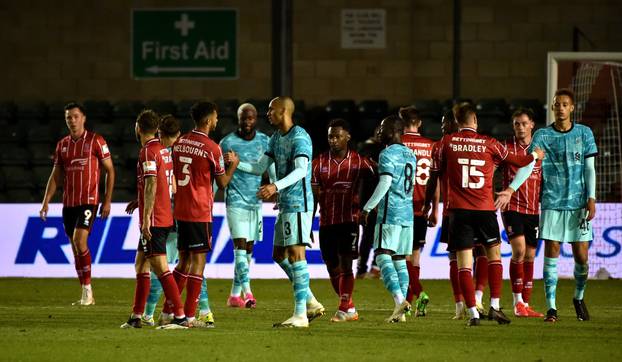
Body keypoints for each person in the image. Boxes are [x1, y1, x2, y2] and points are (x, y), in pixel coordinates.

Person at [425, 103, 544, 326]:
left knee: (464, 264)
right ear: (475, 121)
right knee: (494, 257)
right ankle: (496, 306)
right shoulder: (490, 143)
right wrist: (535, 156)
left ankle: (472, 313)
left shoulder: (444, 144)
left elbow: (434, 178)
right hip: (485, 210)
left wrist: (427, 205)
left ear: (456, 121)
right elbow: (518, 161)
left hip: (458, 212)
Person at [232, 96, 325, 328]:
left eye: (271, 110)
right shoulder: (275, 138)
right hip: (286, 203)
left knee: (296, 254)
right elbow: (259, 167)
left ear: (284, 111)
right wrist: (235, 164)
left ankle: (300, 315)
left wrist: (275, 186)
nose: (268, 114)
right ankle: (311, 302)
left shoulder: (300, 137)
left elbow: (302, 170)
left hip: (299, 203)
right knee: (279, 255)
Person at [159, 101, 239, 329]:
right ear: (207, 120)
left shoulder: (181, 141)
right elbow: (222, 182)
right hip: (199, 211)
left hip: (181, 210)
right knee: (198, 264)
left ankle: (167, 312)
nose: (216, 121)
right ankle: (190, 316)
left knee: (182, 262)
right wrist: (233, 164)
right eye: (215, 118)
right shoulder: (211, 147)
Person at [524, 89, 596, 322]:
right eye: (557, 104)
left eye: (565, 104)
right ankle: (552, 308)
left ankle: (578, 296)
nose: (561, 108)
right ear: (553, 108)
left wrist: (591, 198)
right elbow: (529, 163)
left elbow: (589, 169)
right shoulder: (542, 135)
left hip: (578, 204)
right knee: (552, 251)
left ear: (572, 108)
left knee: (582, 257)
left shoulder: (584, 133)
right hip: (552, 201)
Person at [39, 102, 115, 306]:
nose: (72, 121)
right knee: (75, 247)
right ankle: (85, 292)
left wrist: (107, 200)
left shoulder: (96, 141)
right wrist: (46, 201)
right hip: (69, 203)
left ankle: (88, 290)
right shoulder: (62, 145)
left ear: (83, 118)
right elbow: (55, 176)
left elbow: (110, 170)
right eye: (68, 118)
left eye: (75, 116)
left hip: (89, 201)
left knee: (80, 241)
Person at [120, 110, 187, 329]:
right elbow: (170, 186)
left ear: (138, 127)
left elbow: (151, 184)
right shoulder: (163, 151)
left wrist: (147, 217)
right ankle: (136, 316)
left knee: (161, 267)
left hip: (155, 220)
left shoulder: (148, 152)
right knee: (141, 264)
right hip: (163, 215)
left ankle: (179, 316)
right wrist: (139, 201)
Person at [312, 118, 374, 322]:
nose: (333, 140)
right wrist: (307, 223)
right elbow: (314, 195)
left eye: (337, 136)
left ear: (347, 136)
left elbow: (382, 178)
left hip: (350, 220)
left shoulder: (360, 162)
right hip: (327, 221)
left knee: (347, 264)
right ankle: (350, 307)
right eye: (330, 136)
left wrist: (370, 207)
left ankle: (342, 308)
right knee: (331, 265)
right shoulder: (319, 163)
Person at [360, 115, 416, 323]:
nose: (379, 131)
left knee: (383, 256)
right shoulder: (411, 154)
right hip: (407, 214)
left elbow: (385, 183)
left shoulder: (386, 153)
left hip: (390, 213)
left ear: (393, 131)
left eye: (383, 128)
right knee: (400, 260)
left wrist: (367, 208)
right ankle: (400, 313)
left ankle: (400, 300)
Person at [219, 103, 274, 308]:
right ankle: (248, 293)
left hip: (255, 203)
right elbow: (217, 172)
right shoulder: (227, 143)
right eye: (244, 118)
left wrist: (274, 187)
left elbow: (269, 166)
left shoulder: (264, 141)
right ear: (238, 118)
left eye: (251, 118)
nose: (248, 122)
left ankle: (234, 295)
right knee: (240, 248)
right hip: (235, 201)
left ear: (256, 118)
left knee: (248, 250)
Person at [498, 108, 544, 318]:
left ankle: (526, 303)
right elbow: (489, 169)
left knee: (531, 255)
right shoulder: (507, 149)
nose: (520, 127)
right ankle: (517, 302)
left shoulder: (541, 150)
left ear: (532, 124)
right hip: (512, 207)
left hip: (533, 208)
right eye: (516, 124)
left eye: (524, 123)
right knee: (519, 251)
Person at [399, 106, 436, 317]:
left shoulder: (397, 144)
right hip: (422, 206)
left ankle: (416, 295)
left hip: (401, 207)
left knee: (401, 257)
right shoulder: (430, 146)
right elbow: (434, 178)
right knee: (415, 257)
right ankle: (411, 303)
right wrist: (433, 207)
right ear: (419, 123)